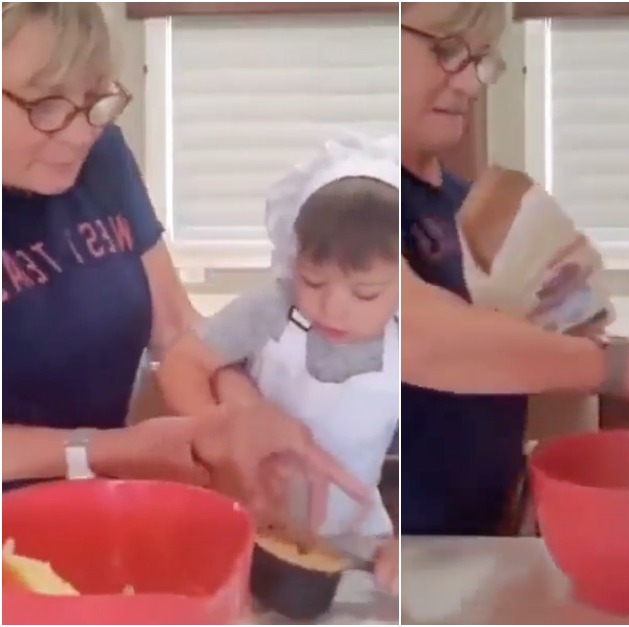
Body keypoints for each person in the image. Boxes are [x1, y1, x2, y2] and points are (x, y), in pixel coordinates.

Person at [1, 2, 368, 527]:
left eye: (94, 99)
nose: (81, 132)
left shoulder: (100, 156)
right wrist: (102, 450)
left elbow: (174, 328)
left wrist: (240, 418)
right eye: (46, 105)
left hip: (91, 510)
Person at [400, 2, 629, 536]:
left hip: (484, 536)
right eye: (446, 51)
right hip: (395, 549)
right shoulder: (349, 199)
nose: (469, 83)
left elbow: (549, 359)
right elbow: (414, 335)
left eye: (480, 59)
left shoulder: (477, 206)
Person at [159, 134, 401, 592]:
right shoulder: (271, 307)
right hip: (253, 519)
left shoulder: (414, 338)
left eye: (364, 293)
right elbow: (183, 363)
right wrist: (225, 430)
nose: (333, 306)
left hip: (359, 535)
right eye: (313, 281)